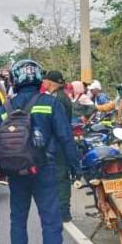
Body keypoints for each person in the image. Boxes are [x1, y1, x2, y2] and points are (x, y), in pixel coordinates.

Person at [0, 60, 84, 244]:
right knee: (51, 223)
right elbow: (66, 137)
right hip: (44, 170)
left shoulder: (5, 106)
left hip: (17, 171)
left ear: (15, 79)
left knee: (18, 218)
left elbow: (1, 140)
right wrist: (74, 166)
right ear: (39, 79)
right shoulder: (50, 103)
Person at [41, 70, 74, 223]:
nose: (43, 83)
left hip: (60, 143)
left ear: (51, 82)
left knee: (61, 177)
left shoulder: (59, 99)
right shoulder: (58, 96)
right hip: (59, 142)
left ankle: (64, 211)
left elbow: (58, 124)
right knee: (58, 176)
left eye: (45, 81)